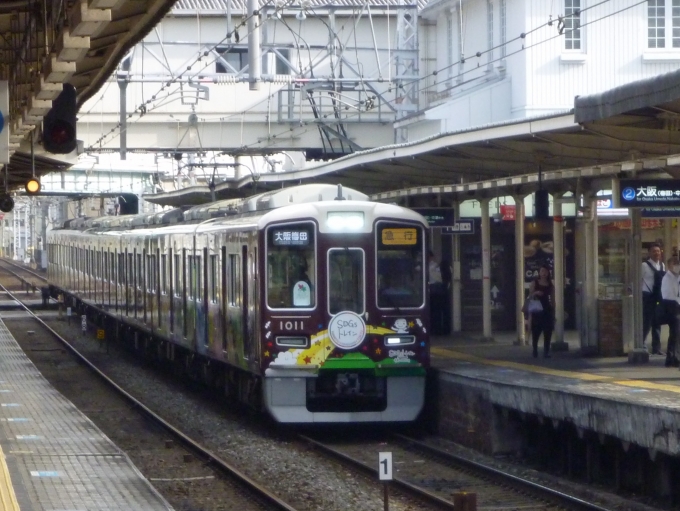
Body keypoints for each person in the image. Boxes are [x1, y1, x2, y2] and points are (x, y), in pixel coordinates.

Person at [642, 243, 666, 355]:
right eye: (654, 251)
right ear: (649, 253)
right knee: (647, 321)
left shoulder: (662, 265)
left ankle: (656, 347)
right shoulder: (644, 265)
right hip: (647, 295)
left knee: (657, 321)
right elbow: (637, 279)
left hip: (658, 295)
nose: (657, 253)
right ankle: (641, 344)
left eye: (658, 251)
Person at [528, 264, 555, 358]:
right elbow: (530, 295)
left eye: (545, 271)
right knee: (536, 330)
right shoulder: (534, 282)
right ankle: (535, 349)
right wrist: (536, 292)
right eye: (542, 271)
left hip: (547, 308)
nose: (544, 273)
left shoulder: (550, 284)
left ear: (548, 273)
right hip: (537, 308)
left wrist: (554, 310)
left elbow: (553, 298)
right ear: (539, 272)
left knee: (548, 330)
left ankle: (546, 351)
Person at [660, 256, 680, 367]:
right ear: (669, 266)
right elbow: (669, 295)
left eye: (678, 263)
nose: (677, 266)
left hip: (676, 306)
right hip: (671, 307)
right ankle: (672, 358)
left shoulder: (676, 277)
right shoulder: (667, 278)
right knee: (675, 333)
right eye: (674, 263)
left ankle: (673, 357)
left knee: (675, 334)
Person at [428, 250, 445, 335]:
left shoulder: (434, 266)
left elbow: (439, 278)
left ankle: (436, 329)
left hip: (435, 289)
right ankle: (435, 329)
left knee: (435, 311)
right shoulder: (431, 266)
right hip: (433, 289)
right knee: (434, 311)